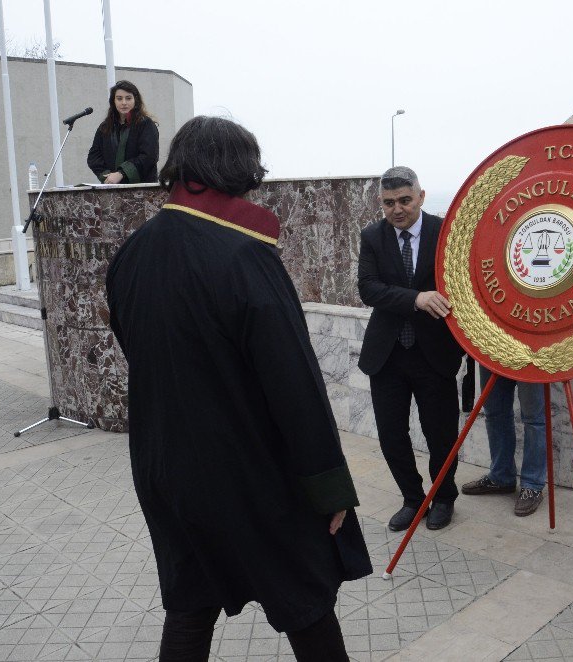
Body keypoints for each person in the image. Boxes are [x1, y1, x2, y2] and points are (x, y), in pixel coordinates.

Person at [106, 116, 370, 662]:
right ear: (236, 170)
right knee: (306, 597)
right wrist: (328, 487)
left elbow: (141, 352)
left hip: (163, 467)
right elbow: (293, 382)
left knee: (189, 605)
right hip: (248, 472)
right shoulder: (244, 254)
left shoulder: (132, 253)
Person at [357, 166, 464, 532]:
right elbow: (368, 288)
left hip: (434, 353)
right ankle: (412, 499)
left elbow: (462, 284)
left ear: (420, 195)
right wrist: (416, 298)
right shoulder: (372, 236)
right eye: (389, 203)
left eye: (405, 199)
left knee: (441, 434)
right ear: (381, 203)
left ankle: (444, 497)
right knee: (391, 434)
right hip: (387, 355)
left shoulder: (446, 231)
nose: (397, 209)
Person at [461, 369, 547, 516]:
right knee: (494, 411)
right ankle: (501, 476)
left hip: (532, 352)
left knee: (534, 419)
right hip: (493, 347)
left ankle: (532, 485)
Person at [87, 80, 159, 184]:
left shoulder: (146, 125)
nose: (124, 102)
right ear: (113, 101)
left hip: (142, 189)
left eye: (128, 98)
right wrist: (107, 176)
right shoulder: (105, 127)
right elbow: (94, 157)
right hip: (111, 189)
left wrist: (121, 174)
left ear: (135, 100)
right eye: (119, 98)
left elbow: (149, 156)